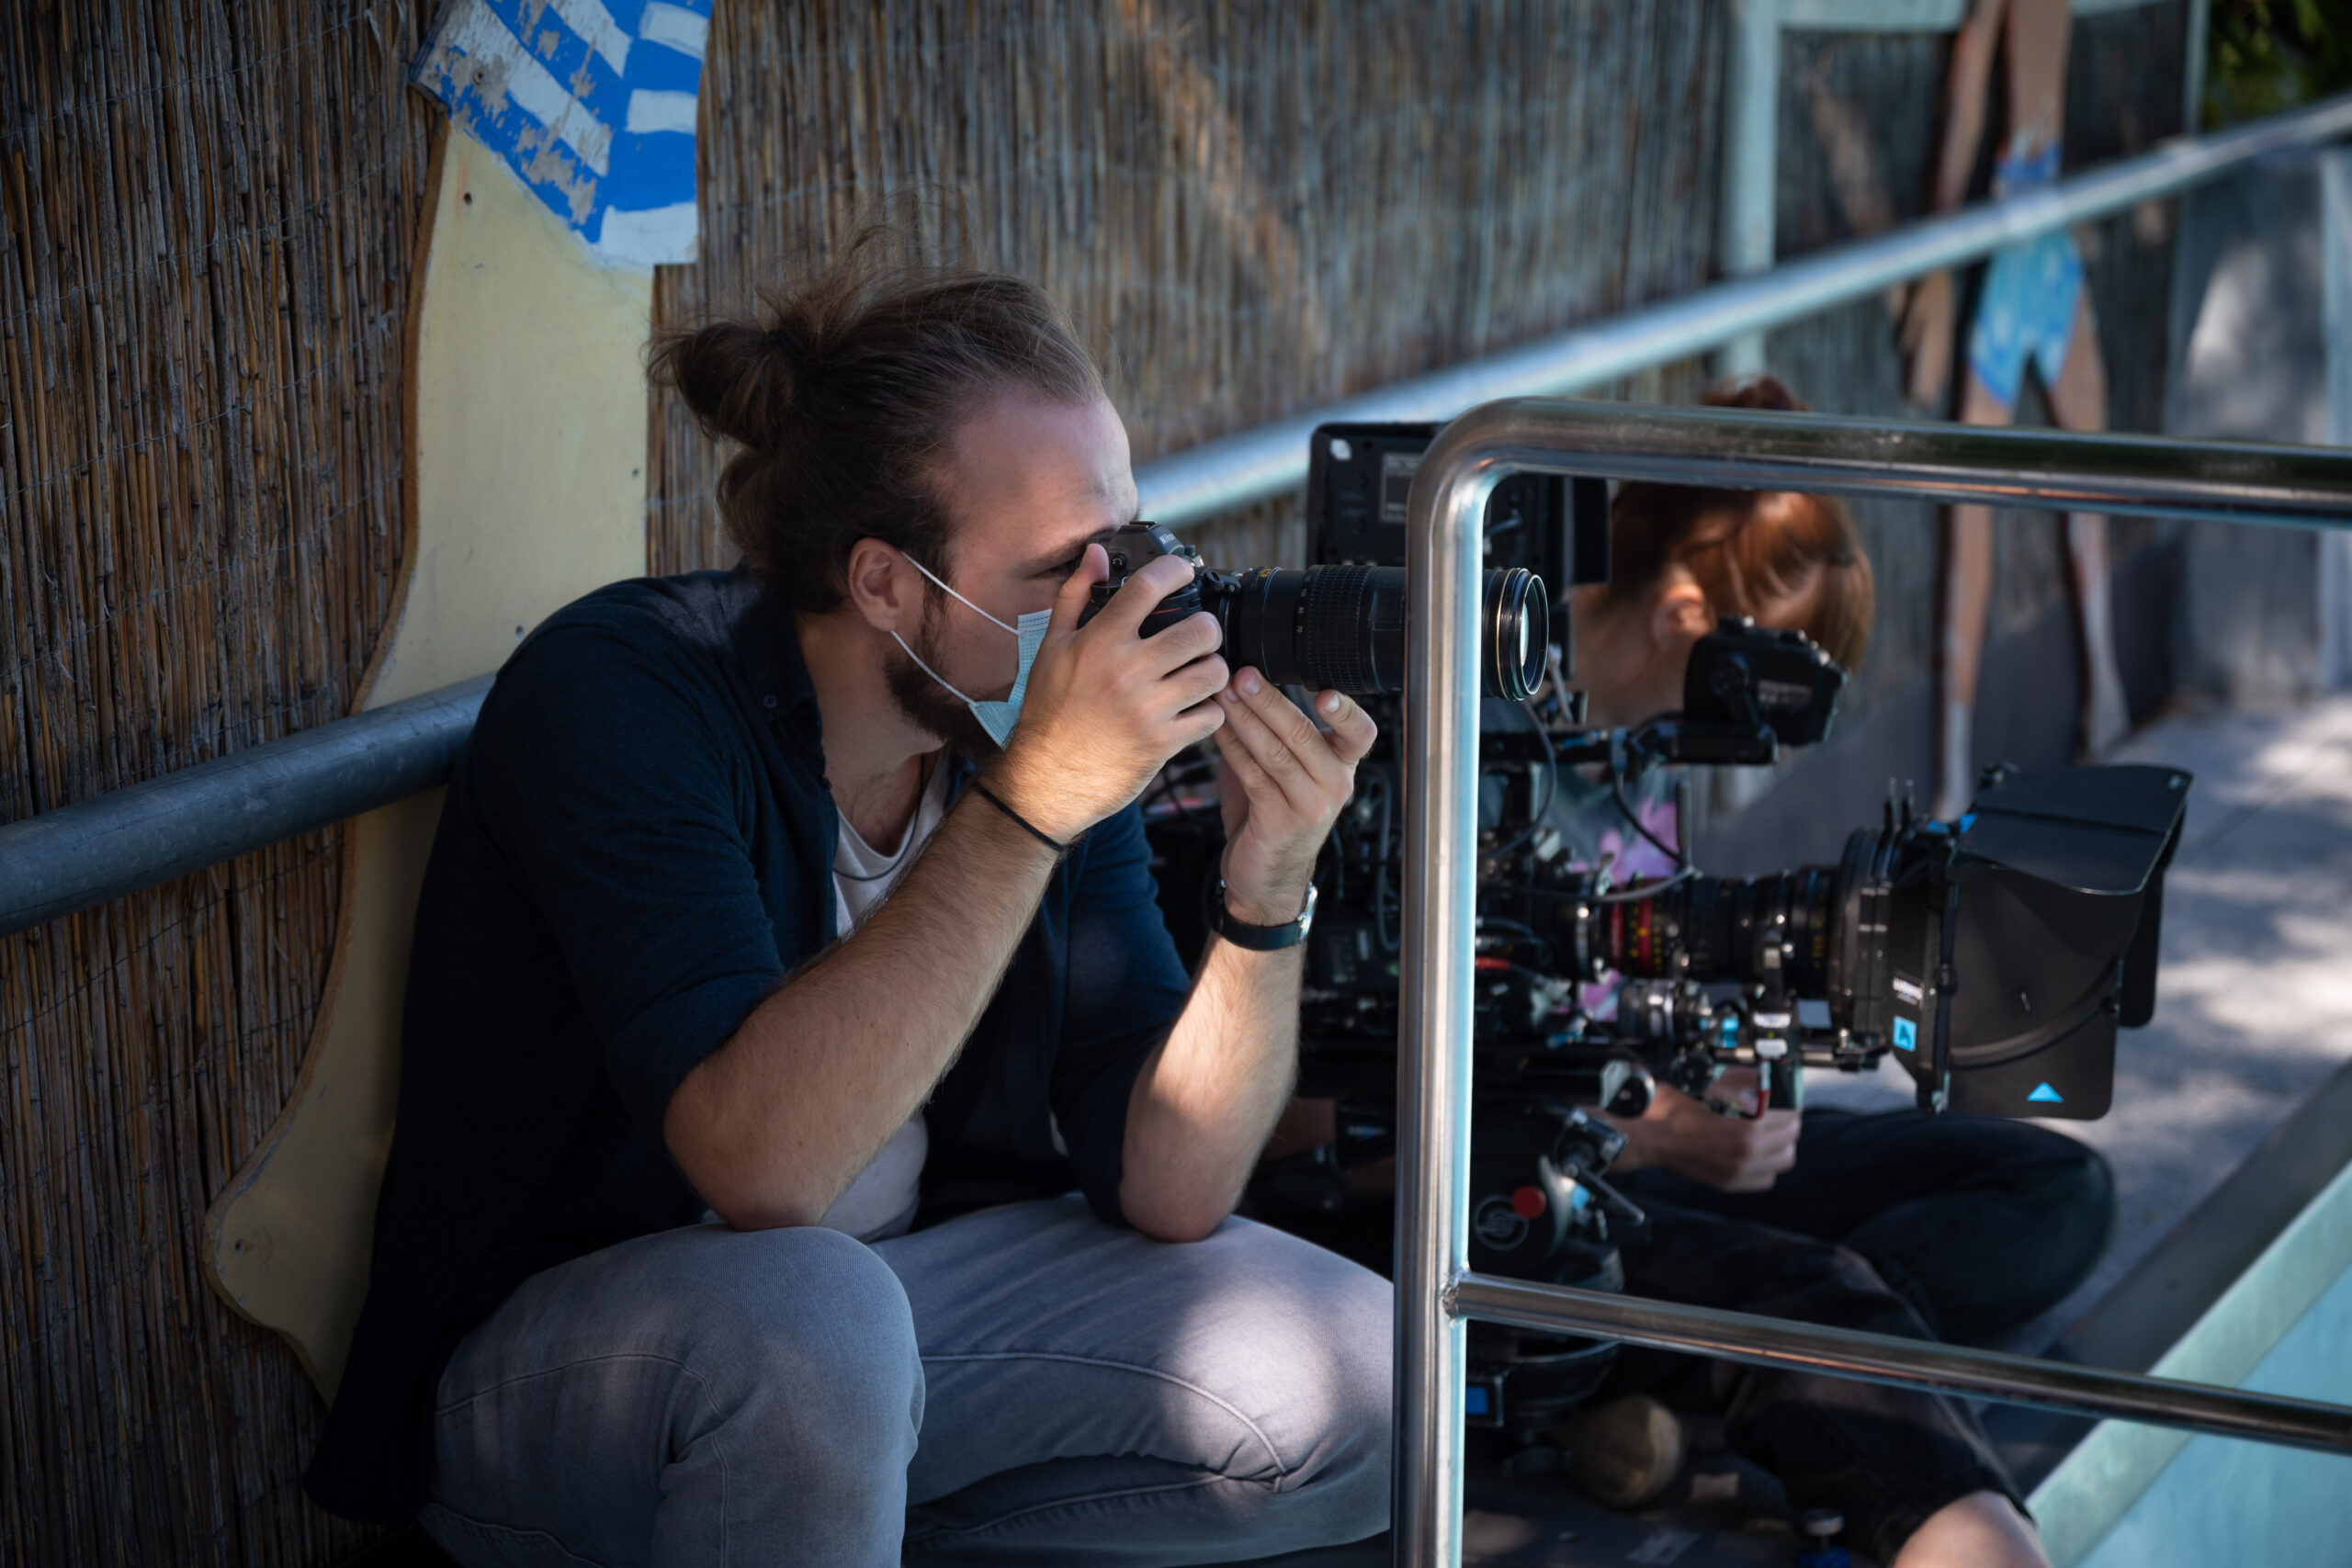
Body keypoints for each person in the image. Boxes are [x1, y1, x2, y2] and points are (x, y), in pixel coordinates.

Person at [303, 256, 1395, 1566]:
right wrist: (1039, 800)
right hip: (578, 1362)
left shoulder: (1023, 749)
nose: (1112, 605)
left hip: (890, 1318)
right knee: (820, 1325)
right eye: (1063, 570)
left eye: (1126, 547)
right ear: (883, 582)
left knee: (1372, 1378)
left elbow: (1171, 1185)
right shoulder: (626, 698)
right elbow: (759, 1166)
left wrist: (1264, 894)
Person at [1544, 376, 2109, 1567]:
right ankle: (1779, 1358)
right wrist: (1660, 1138)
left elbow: (1632, 973)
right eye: (1753, 701)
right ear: (1683, 614)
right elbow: (1392, 1087)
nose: (1752, 750)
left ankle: (1720, 1384)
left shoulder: (1641, 730)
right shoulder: (1480, 739)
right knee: (1816, 1288)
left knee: (2053, 1192)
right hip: (1523, 1186)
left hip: (1641, 1139)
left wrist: (1725, 1077)